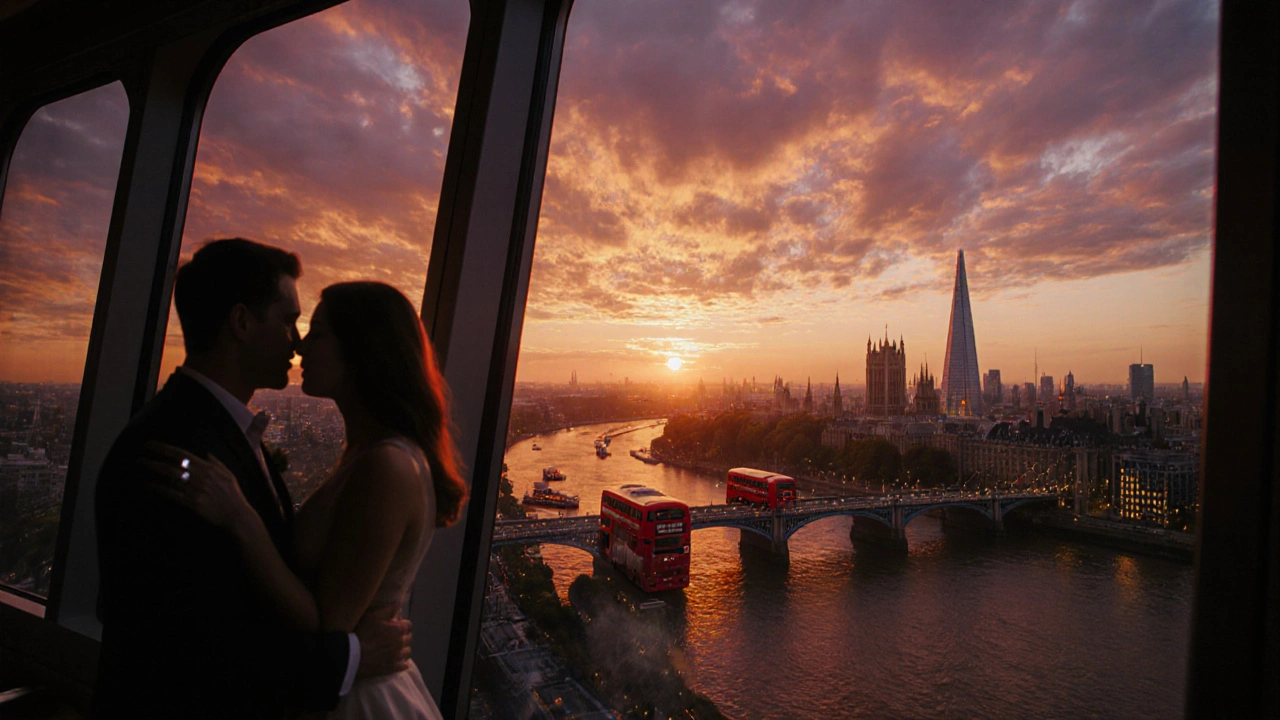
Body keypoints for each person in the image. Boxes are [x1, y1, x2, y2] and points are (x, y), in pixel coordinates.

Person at [93, 240, 413, 719]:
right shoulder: (175, 452)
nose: (297, 341)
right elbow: (187, 646)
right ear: (241, 323)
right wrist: (350, 658)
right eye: (287, 320)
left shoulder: (213, 433)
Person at [146, 280, 468, 719]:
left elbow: (326, 624)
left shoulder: (385, 466)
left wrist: (243, 521)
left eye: (317, 333)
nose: (299, 346)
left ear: (361, 351)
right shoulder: (367, 456)